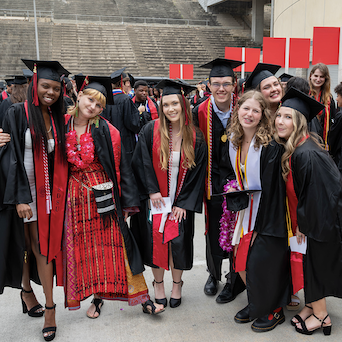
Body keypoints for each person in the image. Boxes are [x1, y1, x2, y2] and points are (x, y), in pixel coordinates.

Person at [62, 75, 164, 319]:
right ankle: (97, 300)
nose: (93, 107)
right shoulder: (60, 124)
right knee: (87, 251)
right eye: (89, 100)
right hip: (74, 199)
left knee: (119, 246)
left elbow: (123, 168)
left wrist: (127, 203)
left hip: (104, 196)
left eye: (99, 105)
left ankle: (143, 298)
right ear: (79, 95)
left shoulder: (108, 130)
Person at [0, 59, 70, 341]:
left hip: (48, 197)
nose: (50, 92)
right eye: (45, 86)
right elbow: (10, 157)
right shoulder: (17, 113)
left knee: (39, 247)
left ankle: (34, 296)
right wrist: (19, 198)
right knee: (30, 247)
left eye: (55, 88)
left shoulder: (57, 117)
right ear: (34, 85)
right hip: (22, 195)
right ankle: (41, 301)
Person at [131, 79, 207, 308]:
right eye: (165, 105)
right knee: (157, 243)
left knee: (178, 242)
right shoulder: (150, 130)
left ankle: (177, 284)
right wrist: (152, 192)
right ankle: (158, 284)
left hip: (180, 200)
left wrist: (183, 203)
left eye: (174, 103)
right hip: (156, 200)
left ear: (183, 104)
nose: (170, 109)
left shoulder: (195, 137)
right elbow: (141, 162)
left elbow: (198, 173)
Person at [274, 87, 342, 336]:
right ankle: (312, 306)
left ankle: (322, 316)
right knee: (305, 262)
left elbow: (321, 195)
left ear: (300, 122)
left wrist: (304, 223)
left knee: (315, 264)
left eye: (288, 117)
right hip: (307, 219)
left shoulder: (308, 154)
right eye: (279, 115)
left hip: (319, 222)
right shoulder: (297, 148)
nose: (280, 121)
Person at [227, 90, 289, 332]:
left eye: (256, 110)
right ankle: (257, 302)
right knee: (240, 263)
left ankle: (274, 309)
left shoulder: (269, 146)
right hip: (245, 210)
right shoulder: (233, 139)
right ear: (238, 109)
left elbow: (273, 190)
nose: (249, 114)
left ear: (263, 115)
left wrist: (259, 227)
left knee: (262, 262)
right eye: (246, 109)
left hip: (267, 213)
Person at [193, 58, 246, 304]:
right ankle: (213, 275)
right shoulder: (199, 112)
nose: (221, 89)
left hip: (239, 181)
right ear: (208, 85)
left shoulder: (244, 108)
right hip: (212, 182)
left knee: (237, 231)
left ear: (234, 84)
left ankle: (234, 278)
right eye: (216, 84)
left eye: (226, 83)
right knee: (213, 230)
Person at [101, 67, 140, 165]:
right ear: (122, 84)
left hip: (109, 140)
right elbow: (133, 123)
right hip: (125, 142)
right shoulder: (125, 99)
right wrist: (139, 113)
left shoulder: (105, 99)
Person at [308, 63, 336, 149]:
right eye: (316, 76)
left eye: (322, 77)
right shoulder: (305, 95)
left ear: (325, 79)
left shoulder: (329, 99)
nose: (318, 79)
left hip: (323, 142)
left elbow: (333, 121)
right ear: (310, 76)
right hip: (307, 139)